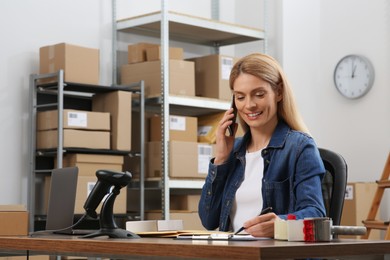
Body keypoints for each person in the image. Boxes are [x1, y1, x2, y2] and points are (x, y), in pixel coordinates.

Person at [198, 53, 326, 238]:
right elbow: (209, 220)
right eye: (240, 97)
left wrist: (280, 224)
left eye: (259, 94)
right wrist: (221, 159)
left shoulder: (299, 147)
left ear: (279, 93)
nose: (249, 105)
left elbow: (316, 214)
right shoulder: (234, 151)